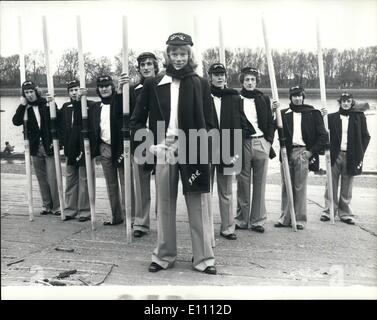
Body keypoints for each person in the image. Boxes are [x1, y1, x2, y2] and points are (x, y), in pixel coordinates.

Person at [130, 32, 217, 275]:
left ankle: (204, 258)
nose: (178, 58)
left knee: (198, 204)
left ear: (190, 55)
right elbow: (136, 121)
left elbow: (211, 123)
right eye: (174, 54)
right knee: (165, 204)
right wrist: (150, 146)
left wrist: (204, 148)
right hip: (164, 147)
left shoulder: (201, 83)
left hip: (194, 148)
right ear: (167, 55)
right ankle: (164, 256)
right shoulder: (152, 84)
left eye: (183, 54)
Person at [274, 85, 328, 230]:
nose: (297, 98)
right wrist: (273, 111)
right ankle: (285, 218)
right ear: (290, 97)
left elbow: (323, 136)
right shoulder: (283, 114)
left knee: (299, 186)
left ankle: (299, 219)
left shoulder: (312, 113)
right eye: (294, 96)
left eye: (300, 95)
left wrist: (311, 152)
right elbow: (271, 127)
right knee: (286, 186)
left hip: (303, 152)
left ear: (303, 97)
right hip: (286, 152)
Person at [235, 67, 276, 233]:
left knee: (260, 183)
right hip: (243, 141)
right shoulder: (236, 99)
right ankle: (242, 219)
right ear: (242, 82)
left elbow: (271, 122)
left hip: (261, 142)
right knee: (243, 182)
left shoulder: (263, 99)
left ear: (256, 81)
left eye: (252, 80)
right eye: (247, 80)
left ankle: (258, 220)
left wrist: (269, 141)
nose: (250, 83)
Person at [90, 75, 135, 226]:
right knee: (111, 183)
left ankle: (132, 217)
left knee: (126, 182)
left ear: (112, 86)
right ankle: (116, 216)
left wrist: (123, 89)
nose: (104, 88)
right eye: (101, 86)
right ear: (98, 89)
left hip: (121, 147)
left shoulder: (120, 101)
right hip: (104, 147)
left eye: (107, 85)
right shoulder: (96, 107)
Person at [320, 92, 370, 225]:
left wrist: (359, 153)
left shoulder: (359, 117)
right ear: (340, 102)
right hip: (335, 155)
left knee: (347, 185)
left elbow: (366, 137)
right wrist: (322, 115)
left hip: (351, 156)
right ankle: (328, 211)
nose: (346, 103)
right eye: (343, 101)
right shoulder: (331, 117)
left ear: (352, 102)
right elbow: (322, 131)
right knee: (331, 184)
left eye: (348, 101)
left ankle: (345, 213)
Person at [12, 80, 60, 215]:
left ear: (36, 91)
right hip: (34, 146)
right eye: (26, 93)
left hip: (48, 144)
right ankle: (47, 205)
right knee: (41, 178)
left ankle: (57, 206)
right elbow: (16, 122)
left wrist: (53, 104)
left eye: (31, 92)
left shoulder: (45, 104)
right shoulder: (25, 108)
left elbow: (58, 120)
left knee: (52, 177)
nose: (29, 95)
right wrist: (22, 106)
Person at [207, 62, 242, 240]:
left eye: (223, 74)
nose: (220, 77)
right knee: (206, 191)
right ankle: (205, 228)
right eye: (216, 74)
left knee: (226, 191)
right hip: (207, 146)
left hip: (228, 147)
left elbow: (241, 123)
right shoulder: (204, 95)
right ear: (210, 77)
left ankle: (228, 228)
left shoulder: (234, 97)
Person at [130, 52, 159, 238]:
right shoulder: (132, 91)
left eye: (149, 64)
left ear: (156, 66)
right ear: (139, 68)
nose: (146, 67)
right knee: (141, 184)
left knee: (164, 184)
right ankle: (141, 222)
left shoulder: (166, 87)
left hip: (163, 138)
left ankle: (163, 221)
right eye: (143, 65)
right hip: (141, 139)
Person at [58, 80, 96, 222]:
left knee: (84, 179)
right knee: (70, 179)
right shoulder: (66, 107)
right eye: (72, 90)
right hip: (70, 147)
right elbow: (59, 125)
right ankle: (70, 209)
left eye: (76, 89)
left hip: (84, 146)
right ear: (68, 93)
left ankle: (85, 210)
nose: (74, 93)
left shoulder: (90, 105)